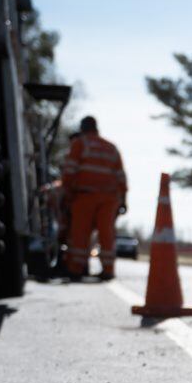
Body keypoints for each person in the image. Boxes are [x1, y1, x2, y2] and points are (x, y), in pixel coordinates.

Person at [60, 116, 127, 281]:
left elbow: (69, 171)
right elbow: (121, 177)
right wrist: (123, 200)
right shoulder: (111, 148)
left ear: (82, 129)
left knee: (80, 234)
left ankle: (77, 268)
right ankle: (108, 269)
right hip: (109, 199)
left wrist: (66, 194)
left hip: (85, 196)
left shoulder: (80, 144)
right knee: (106, 234)